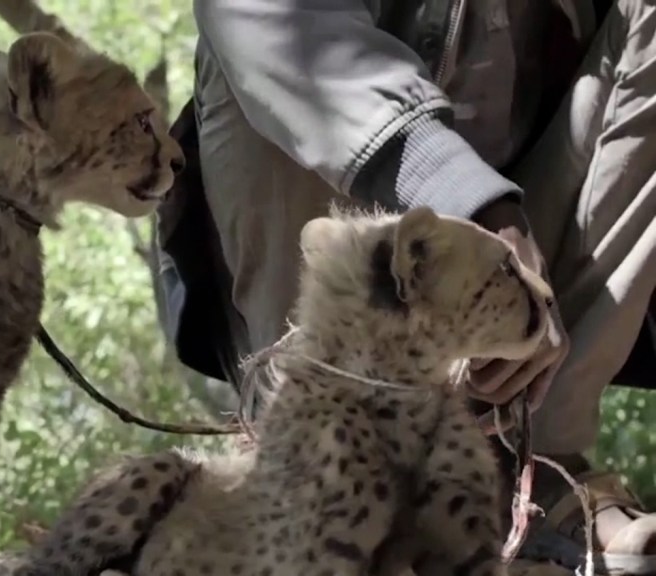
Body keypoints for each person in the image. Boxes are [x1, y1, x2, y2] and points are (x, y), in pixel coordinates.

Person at [155, 0, 656, 573]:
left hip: (520, 246)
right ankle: (310, 478)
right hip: (338, 283)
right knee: (256, 41)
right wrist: (471, 198)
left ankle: (532, 471)